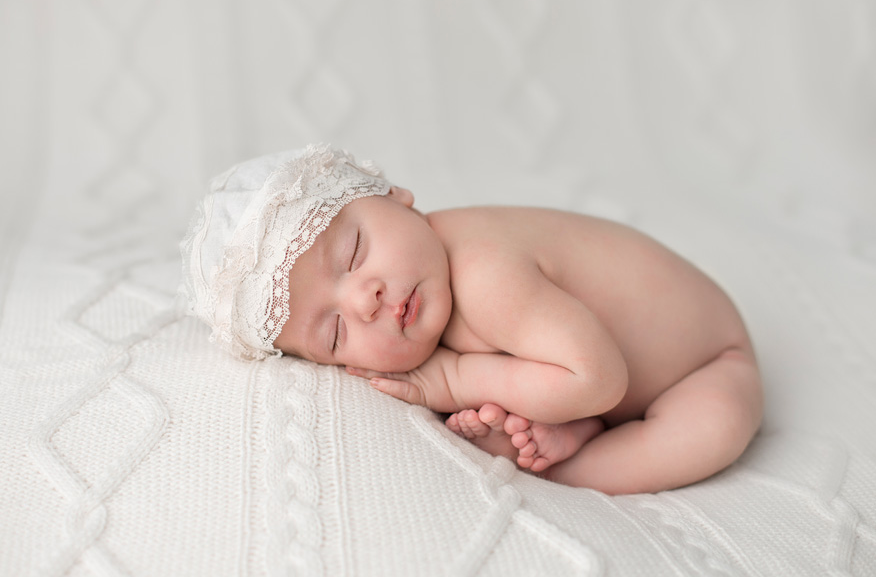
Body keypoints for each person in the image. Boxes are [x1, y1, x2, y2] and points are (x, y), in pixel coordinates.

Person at [180, 144, 763, 495]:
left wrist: (456, 380)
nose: (364, 299)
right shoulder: (428, 292)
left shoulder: (484, 274)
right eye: (335, 333)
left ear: (394, 195)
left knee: (712, 429)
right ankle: (571, 428)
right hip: (581, 367)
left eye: (354, 252)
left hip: (706, 364)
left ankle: (572, 460)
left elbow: (599, 380)